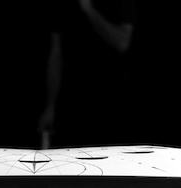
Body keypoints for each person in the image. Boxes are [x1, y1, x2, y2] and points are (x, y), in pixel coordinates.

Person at [37, 0, 137, 147]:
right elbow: (55, 55)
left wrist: (89, 9)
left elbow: (122, 43)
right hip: (72, 102)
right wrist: (50, 105)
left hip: (113, 100)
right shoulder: (60, 5)